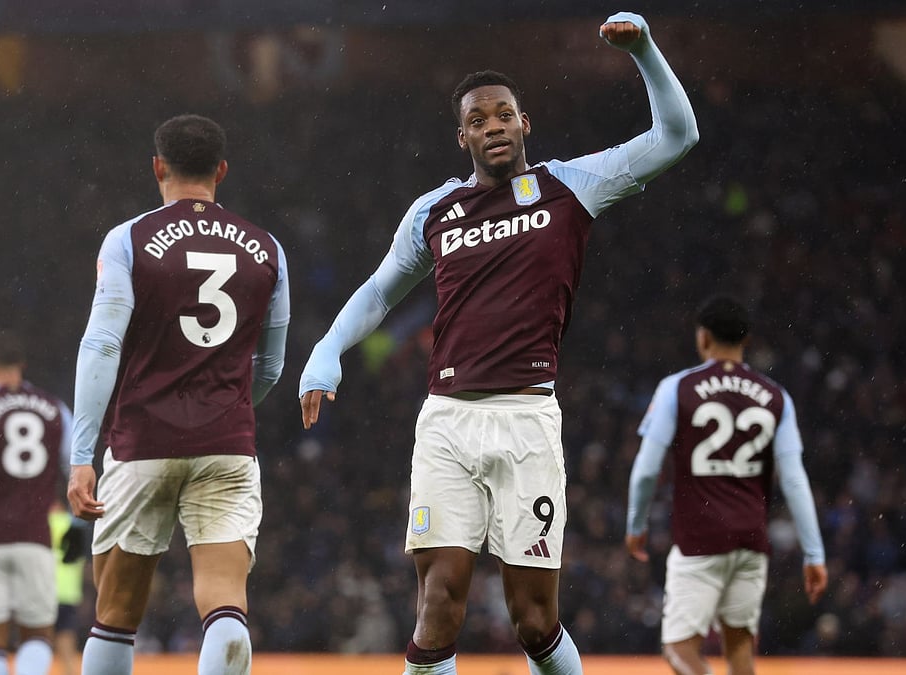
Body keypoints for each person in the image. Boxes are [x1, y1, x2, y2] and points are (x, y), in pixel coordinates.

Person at [298, 12, 697, 675]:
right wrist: (327, 349)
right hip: (448, 420)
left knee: (535, 621)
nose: (494, 126)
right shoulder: (436, 211)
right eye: (479, 120)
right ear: (463, 136)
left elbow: (677, 136)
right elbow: (377, 292)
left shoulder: (571, 185)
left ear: (524, 124)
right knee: (438, 604)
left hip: (528, 420)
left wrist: (647, 51)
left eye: (504, 114)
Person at [67, 114, 290, 675]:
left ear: (157, 167)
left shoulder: (129, 238)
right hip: (227, 443)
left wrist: (80, 456)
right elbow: (272, 365)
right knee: (224, 603)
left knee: (115, 613)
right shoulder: (268, 249)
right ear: (221, 171)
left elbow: (101, 344)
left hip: (143, 438)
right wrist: (229, 409)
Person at [624, 295, 828, 675]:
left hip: (699, 538)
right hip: (751, 539)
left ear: (702, 338)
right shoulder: (775, 397)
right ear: (746, 340)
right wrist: (814, 554)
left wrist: (636, 526)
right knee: (740, 656)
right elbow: (796, 480)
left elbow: (647, 469)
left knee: (678, 651)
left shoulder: (677, 389)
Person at [0, 330, 74, 675]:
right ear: (22, 366)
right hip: (35, 536)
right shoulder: (56, 410)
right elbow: (73, 467)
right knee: (37, 635)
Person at [49, 503, 88, 675]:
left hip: (43, 590)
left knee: (37, 639)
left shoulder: (42, 523)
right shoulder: (75, 523)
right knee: (66, 640)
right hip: (67, 592)